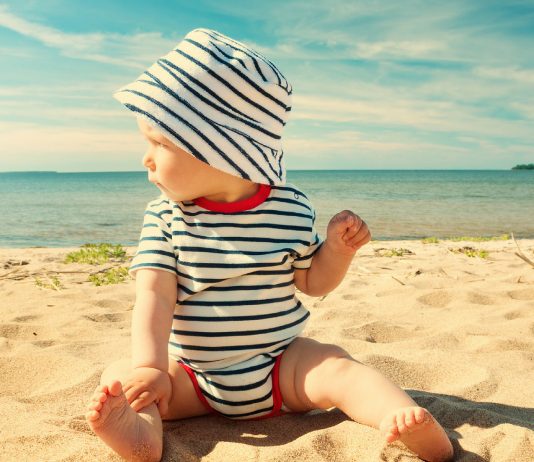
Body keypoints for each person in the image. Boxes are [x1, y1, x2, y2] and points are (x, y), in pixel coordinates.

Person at [85, 28, 454, 462]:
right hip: (191, 376)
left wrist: (336, 251)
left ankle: (400, 416)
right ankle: (142, 438)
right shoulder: (167, 217)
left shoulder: (289, 208)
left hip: (281, 366)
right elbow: (154, 296)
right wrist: (150, 368)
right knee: (126, 378)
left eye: (159, 143)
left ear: (220, 149)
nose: (145, 158)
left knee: (336, 365)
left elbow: (312, 282)